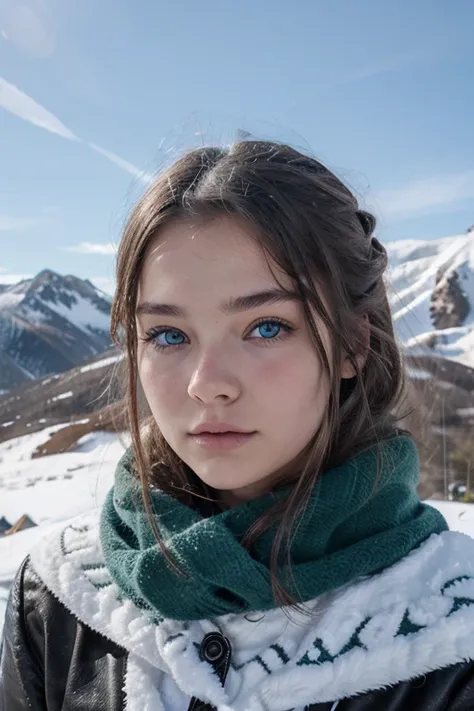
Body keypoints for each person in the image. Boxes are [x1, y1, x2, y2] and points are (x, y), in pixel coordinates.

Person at [2, 140, 474, 711]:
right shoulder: (57, 598)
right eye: (168, 334)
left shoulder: (452, 634)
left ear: (353, 342)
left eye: (266, 327)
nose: (208, 383)